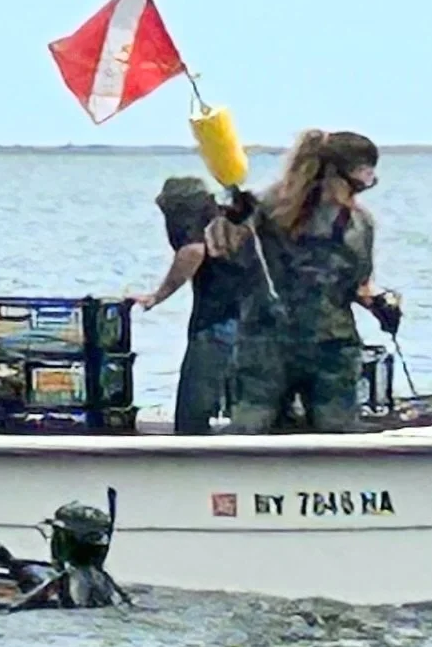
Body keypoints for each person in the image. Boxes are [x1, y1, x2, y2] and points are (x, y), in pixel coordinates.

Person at [204, 129, 402, 434]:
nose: (369, 179)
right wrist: (232, 217)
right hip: (300, 345)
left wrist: (379, 304)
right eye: (366, 170)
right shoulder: (262, 208)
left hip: (288, 342)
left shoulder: (265, 205)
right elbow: (222, 246)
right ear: (344, 172)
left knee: (257, 430)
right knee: (324, 434)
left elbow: (358, 286)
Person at [133, 177, 245, 434]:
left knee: (194, 411)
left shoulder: (193, 218)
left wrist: (157, 297)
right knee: (247, 407)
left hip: (218, 321)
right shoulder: (230, 221)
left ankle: (193, 457)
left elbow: (192, 251)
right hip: (255, 320)